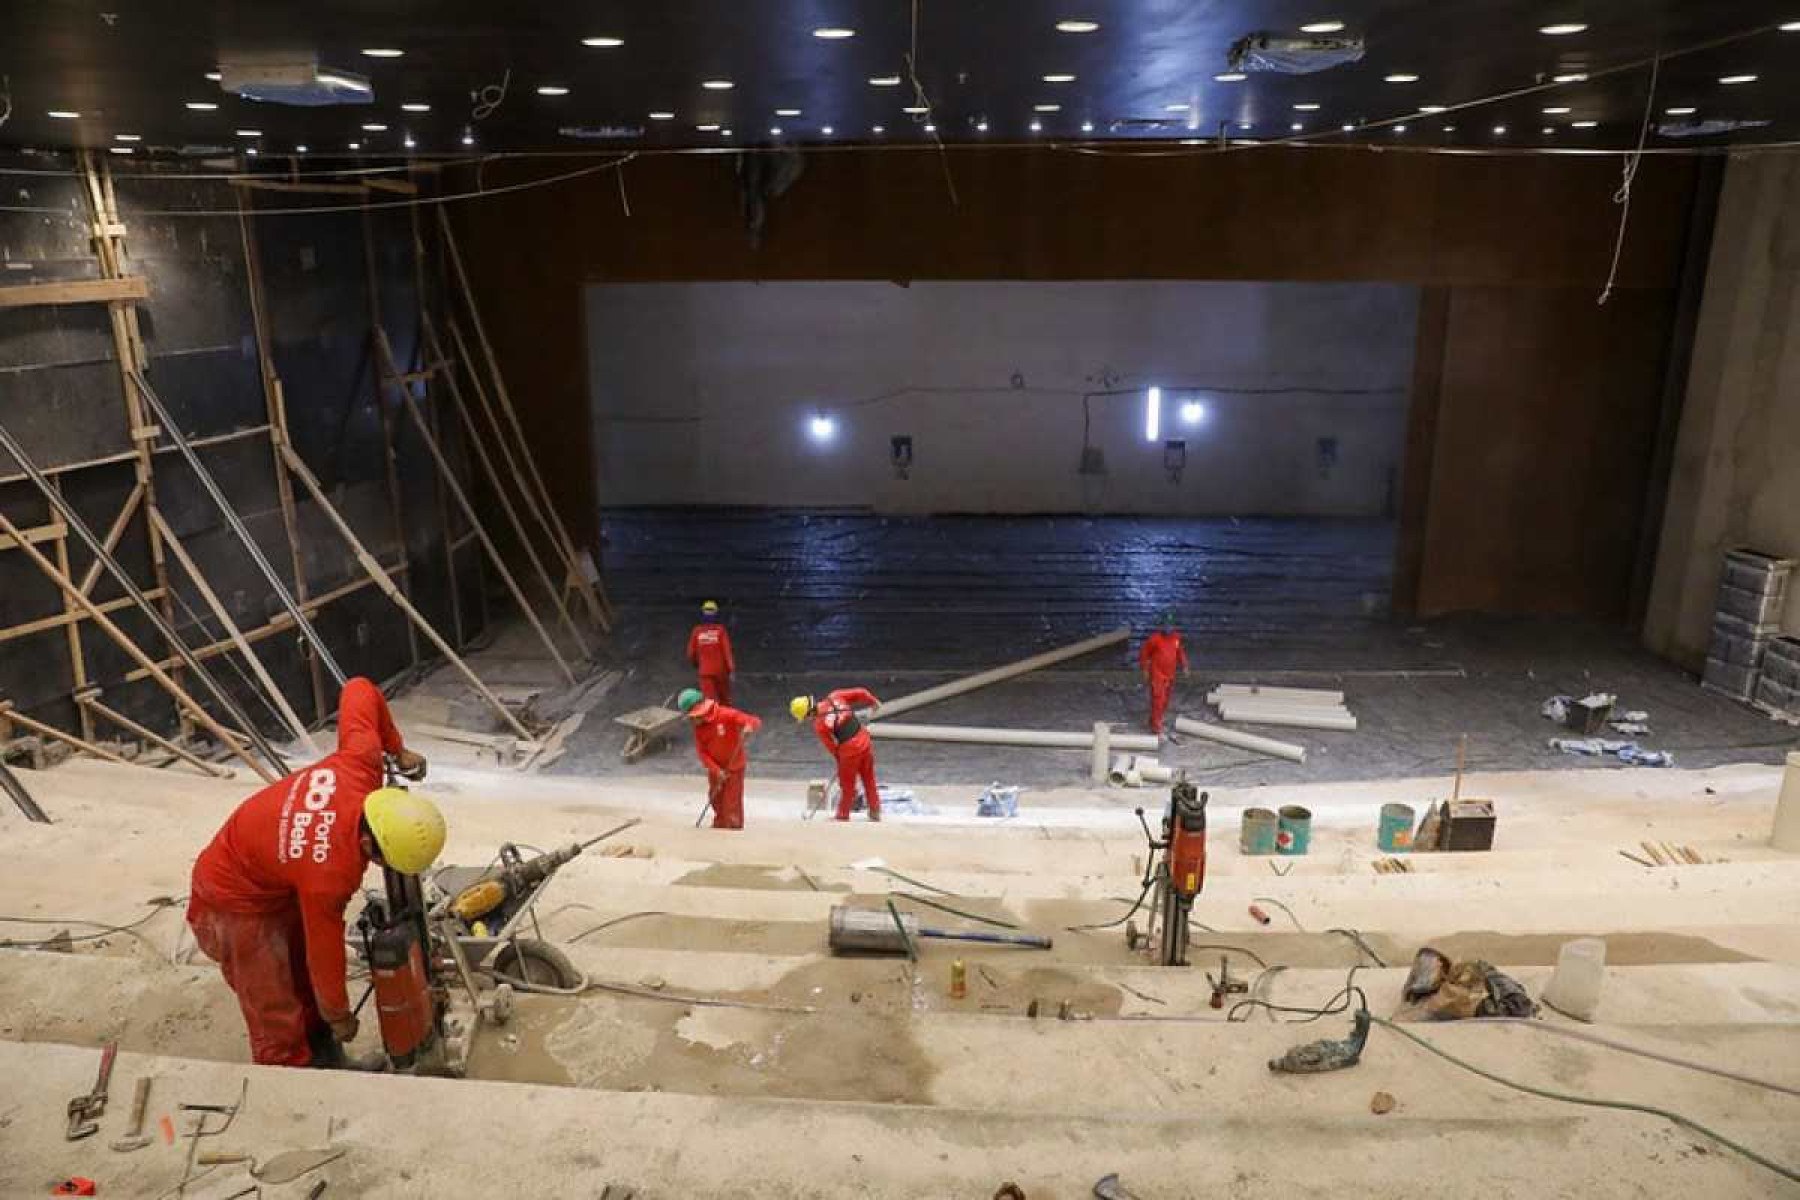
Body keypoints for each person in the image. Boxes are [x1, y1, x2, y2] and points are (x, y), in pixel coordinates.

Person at [187, 677, 443, 1069]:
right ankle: (293, 1081)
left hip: (273, 872)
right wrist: (339, 1014)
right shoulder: (330, 875)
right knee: (274, 1001)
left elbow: (359, 688)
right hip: (232, 900)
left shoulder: (361, 764)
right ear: (370, 848)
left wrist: (397, 748)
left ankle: (324, 1055)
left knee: (299, 976)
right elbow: (324, 952)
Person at [791, 689, 882, 822]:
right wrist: (873, 702)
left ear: (809, 713)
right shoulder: (835, 697)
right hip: (863, 739)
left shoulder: (820, 725)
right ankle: (875, 810)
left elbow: (832, 747)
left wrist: (841, 764)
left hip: (849, 750)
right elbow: (860, 693)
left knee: (847, 784)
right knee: (869, 777)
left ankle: (842, 814)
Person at [678, 687, 761, 830]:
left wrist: (749, 727)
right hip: (716, 769)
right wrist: (716, 771)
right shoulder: (699, 729)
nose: (693, 721)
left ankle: (733, 827)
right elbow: (702, 753)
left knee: (732, 801)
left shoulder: (726, 714)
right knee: (715, 798)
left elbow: (754, 720)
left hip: (734, 766)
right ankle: (720, 824)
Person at [1137, 613, 1191, 736]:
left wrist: (1185, 666)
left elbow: (1180, 653)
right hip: (1157, 675)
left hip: (1170, 674)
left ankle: (1154, 719)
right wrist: (1145, 669)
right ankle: (1156, 727)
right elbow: (1144, 654)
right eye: (1165, 625)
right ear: (1161, 626)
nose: (1168, 628)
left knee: (1165, 700)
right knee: (1158, 699)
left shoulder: (1176, 638)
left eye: (1170, 625)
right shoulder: (1154, 639)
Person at [685, 599, 736, 705]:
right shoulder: (720, 630)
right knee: (725, 700)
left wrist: (698, 665)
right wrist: (731, 669)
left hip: (705, 672)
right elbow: (727, 651)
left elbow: (690, 653)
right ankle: (726, 720)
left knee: (709, 702)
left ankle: (713, 721)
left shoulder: (697, 631)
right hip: (721, 671)